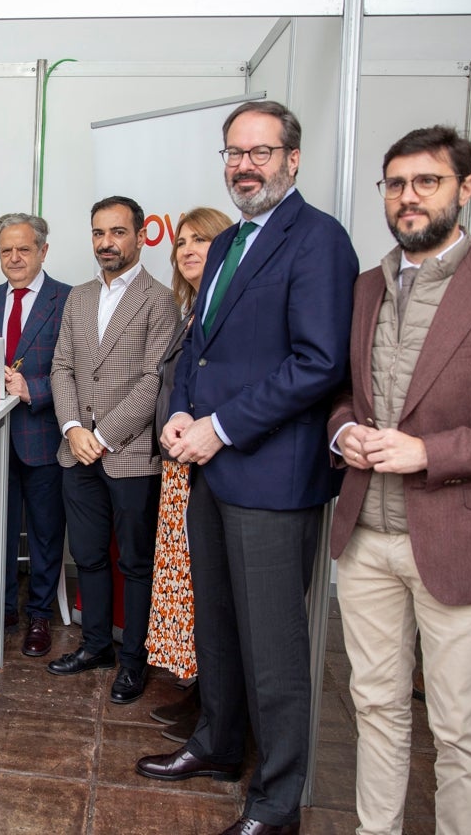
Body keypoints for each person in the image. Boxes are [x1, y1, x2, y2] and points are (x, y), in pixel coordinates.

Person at [139, 100, 359, 835]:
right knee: (219, 628)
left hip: (270, 474)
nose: (245, 165)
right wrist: (179, 409)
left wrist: (219, 427)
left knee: (274, 650)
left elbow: (319, 363)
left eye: (261, 152)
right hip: (208, 467)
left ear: (293, 159)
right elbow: (199, 345)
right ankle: (219, 743)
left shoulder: (319, 241)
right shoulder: (229, 241)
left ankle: (278, 799)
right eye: (234, 153)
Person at [329, 125, 471, 835]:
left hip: (458, 541)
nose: (408, 197)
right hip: (367, 535)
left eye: (426, 181)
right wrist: (345, 433)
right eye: (395, 183)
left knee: (460, 729)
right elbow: (342, 393)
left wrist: (431, 452)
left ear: (466, 189)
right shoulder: (366, 286)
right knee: (377, 710)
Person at [47, 196, 176, 706]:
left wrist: (102, 437)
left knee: (136, 564)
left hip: (129, 454)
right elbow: (62, 368)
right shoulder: (78, 298)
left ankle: (133, 662)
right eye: (99, 232)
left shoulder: (159, 299)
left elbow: (153, 380)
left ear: (141, 236)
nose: (107, 242)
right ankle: (96, 646)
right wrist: (74, 428)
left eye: (118, 232)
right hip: (76, 451)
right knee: (89, 557)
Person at [0, 214, 69, 657]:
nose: (14, 257)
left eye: (24, 249)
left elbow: (77, 370)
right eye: (6, 250)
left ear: (43, 250)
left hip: (42, 435)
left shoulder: (70, 300)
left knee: (46, 533)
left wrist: (34, 389)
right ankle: (2, 608)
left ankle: (39, 614)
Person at [145, 206, 233, 741]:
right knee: (192, 587)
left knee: (209, 591)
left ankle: (213, 704)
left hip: (213, 463)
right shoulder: (192, 309)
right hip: (180, 465)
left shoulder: (226, 309)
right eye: (181, 241)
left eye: (202, 239)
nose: (188, 249)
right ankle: (203, 695)